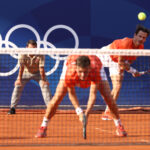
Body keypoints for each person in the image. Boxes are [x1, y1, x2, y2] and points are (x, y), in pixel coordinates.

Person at [35, 55, 127, 138]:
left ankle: (119, 125)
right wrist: (79, 112)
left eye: (85, 72)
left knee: (109, 99)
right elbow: (71, 93)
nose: (83, 75)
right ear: (76, 68)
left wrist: (87, 114)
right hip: (70, 63)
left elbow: (93, 94)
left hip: (97, 63)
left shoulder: (94, 71)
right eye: (80, 72)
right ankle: (43, 126)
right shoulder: (70, 73)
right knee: (57, 98)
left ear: (89, 68)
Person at [98, 24, 150, 120]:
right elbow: (121, 62)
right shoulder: (126, 43)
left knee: (117, 86)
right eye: (139, 36)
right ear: (135, 35)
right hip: (105, 55)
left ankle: (108, 112)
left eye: (144, 37)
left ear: (145, 39)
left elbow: (128, 62)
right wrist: (133, 71)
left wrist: (131, 71)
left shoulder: (140, 48)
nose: (141, 39)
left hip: (116, 61)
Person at [8, 40, 52, 114]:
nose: (32, 50)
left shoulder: (40, 54)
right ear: (27, 47)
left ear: (36, 48)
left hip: (38, 74)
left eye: (34, 48)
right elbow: (21, 68)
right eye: (30, 48)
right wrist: (19, 79)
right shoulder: (23, 54)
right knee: (17, 86)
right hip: (26, 73)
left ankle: (50, 108)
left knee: (45, 87)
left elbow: (41, 69)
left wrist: (44, 80)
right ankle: (12, 108)